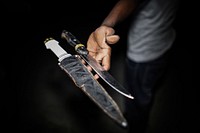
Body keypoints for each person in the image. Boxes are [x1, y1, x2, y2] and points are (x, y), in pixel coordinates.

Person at [86, 0, 180, 133]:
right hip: (165, 43)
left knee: (137, 99)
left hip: (143, 54)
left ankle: (135, 124)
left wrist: (107, 24)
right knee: (145, 91)